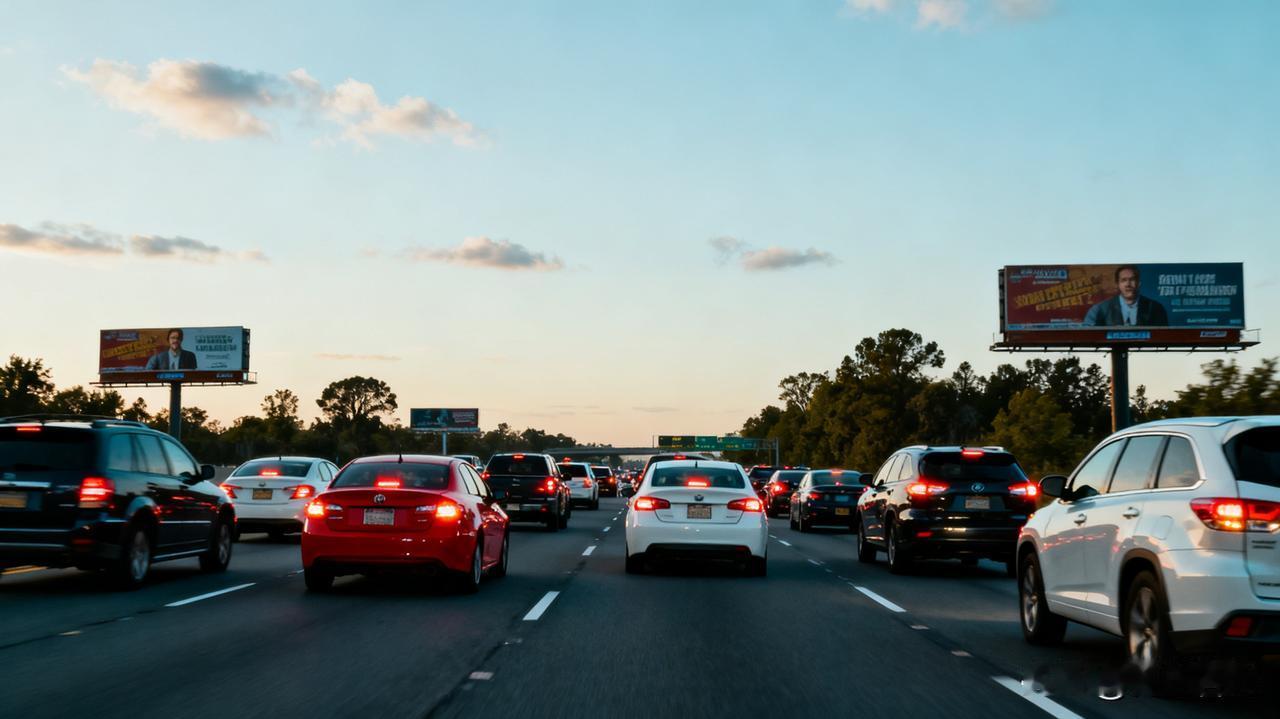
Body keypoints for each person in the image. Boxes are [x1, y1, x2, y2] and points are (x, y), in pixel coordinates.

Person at [1083, 265, 1168, 327]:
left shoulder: (1155, 308)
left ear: (1138, 283)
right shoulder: (1100, 309)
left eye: (1132, 280)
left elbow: (1163, 336)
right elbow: (1087, 335)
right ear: (1117, 284)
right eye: (1123, 280)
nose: (1128, 284)